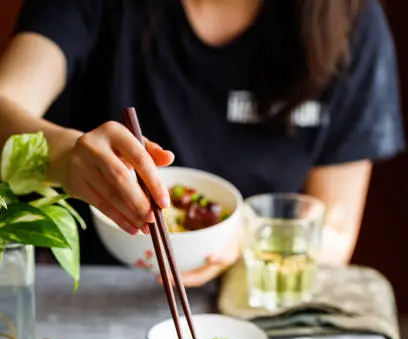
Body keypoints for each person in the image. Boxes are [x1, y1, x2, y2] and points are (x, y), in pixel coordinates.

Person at [0, 0, 404, 286]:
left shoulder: (350, 20)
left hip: (248, 302)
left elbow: (335, 230)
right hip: (88, 289)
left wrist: (245, 239)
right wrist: (64, 155)